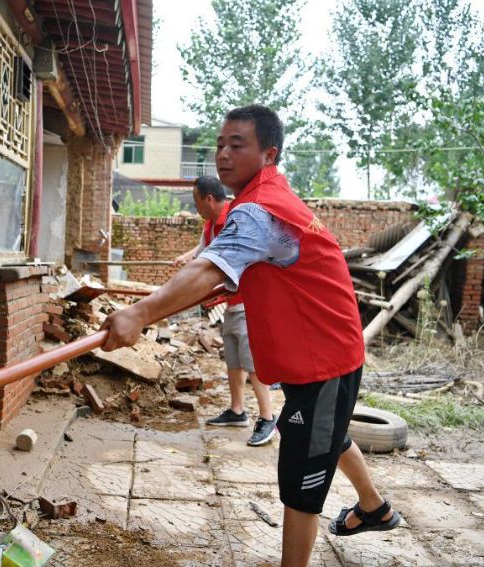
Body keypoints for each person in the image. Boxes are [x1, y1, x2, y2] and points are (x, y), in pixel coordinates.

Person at [102, 105, 401, 567]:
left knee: (302, 473)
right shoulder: (271, 196)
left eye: (237, 145)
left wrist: (140, 312)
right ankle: (374, 507)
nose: (222, 154)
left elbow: (207, 268)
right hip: (326, 348)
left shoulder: (260, 211)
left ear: (269, 154)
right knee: (329, 434)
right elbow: (233, 274)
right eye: (219, 145)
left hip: (324, 358)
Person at [173, 176, 276, 446]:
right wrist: (187, 259)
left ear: (209, 199)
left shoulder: (238, 220)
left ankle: (268, 417)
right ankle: (237, 410)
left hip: (250, 302)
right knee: (233, 359)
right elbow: (204, 251)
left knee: (252, 362)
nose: (196, 208)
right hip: (231, 303)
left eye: (197, 202)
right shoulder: (210, 226)